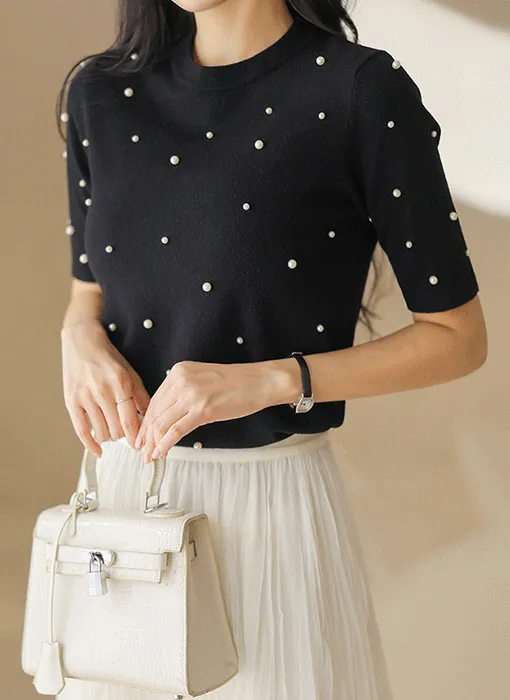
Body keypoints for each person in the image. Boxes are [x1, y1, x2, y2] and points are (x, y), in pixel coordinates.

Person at [56, 0, 487, 698]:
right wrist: (77, 339)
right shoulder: (101, 94)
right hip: (120, 513)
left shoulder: (360, 91)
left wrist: (275, 380)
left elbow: (458, 339)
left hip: (270, 510)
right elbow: (88, 293)